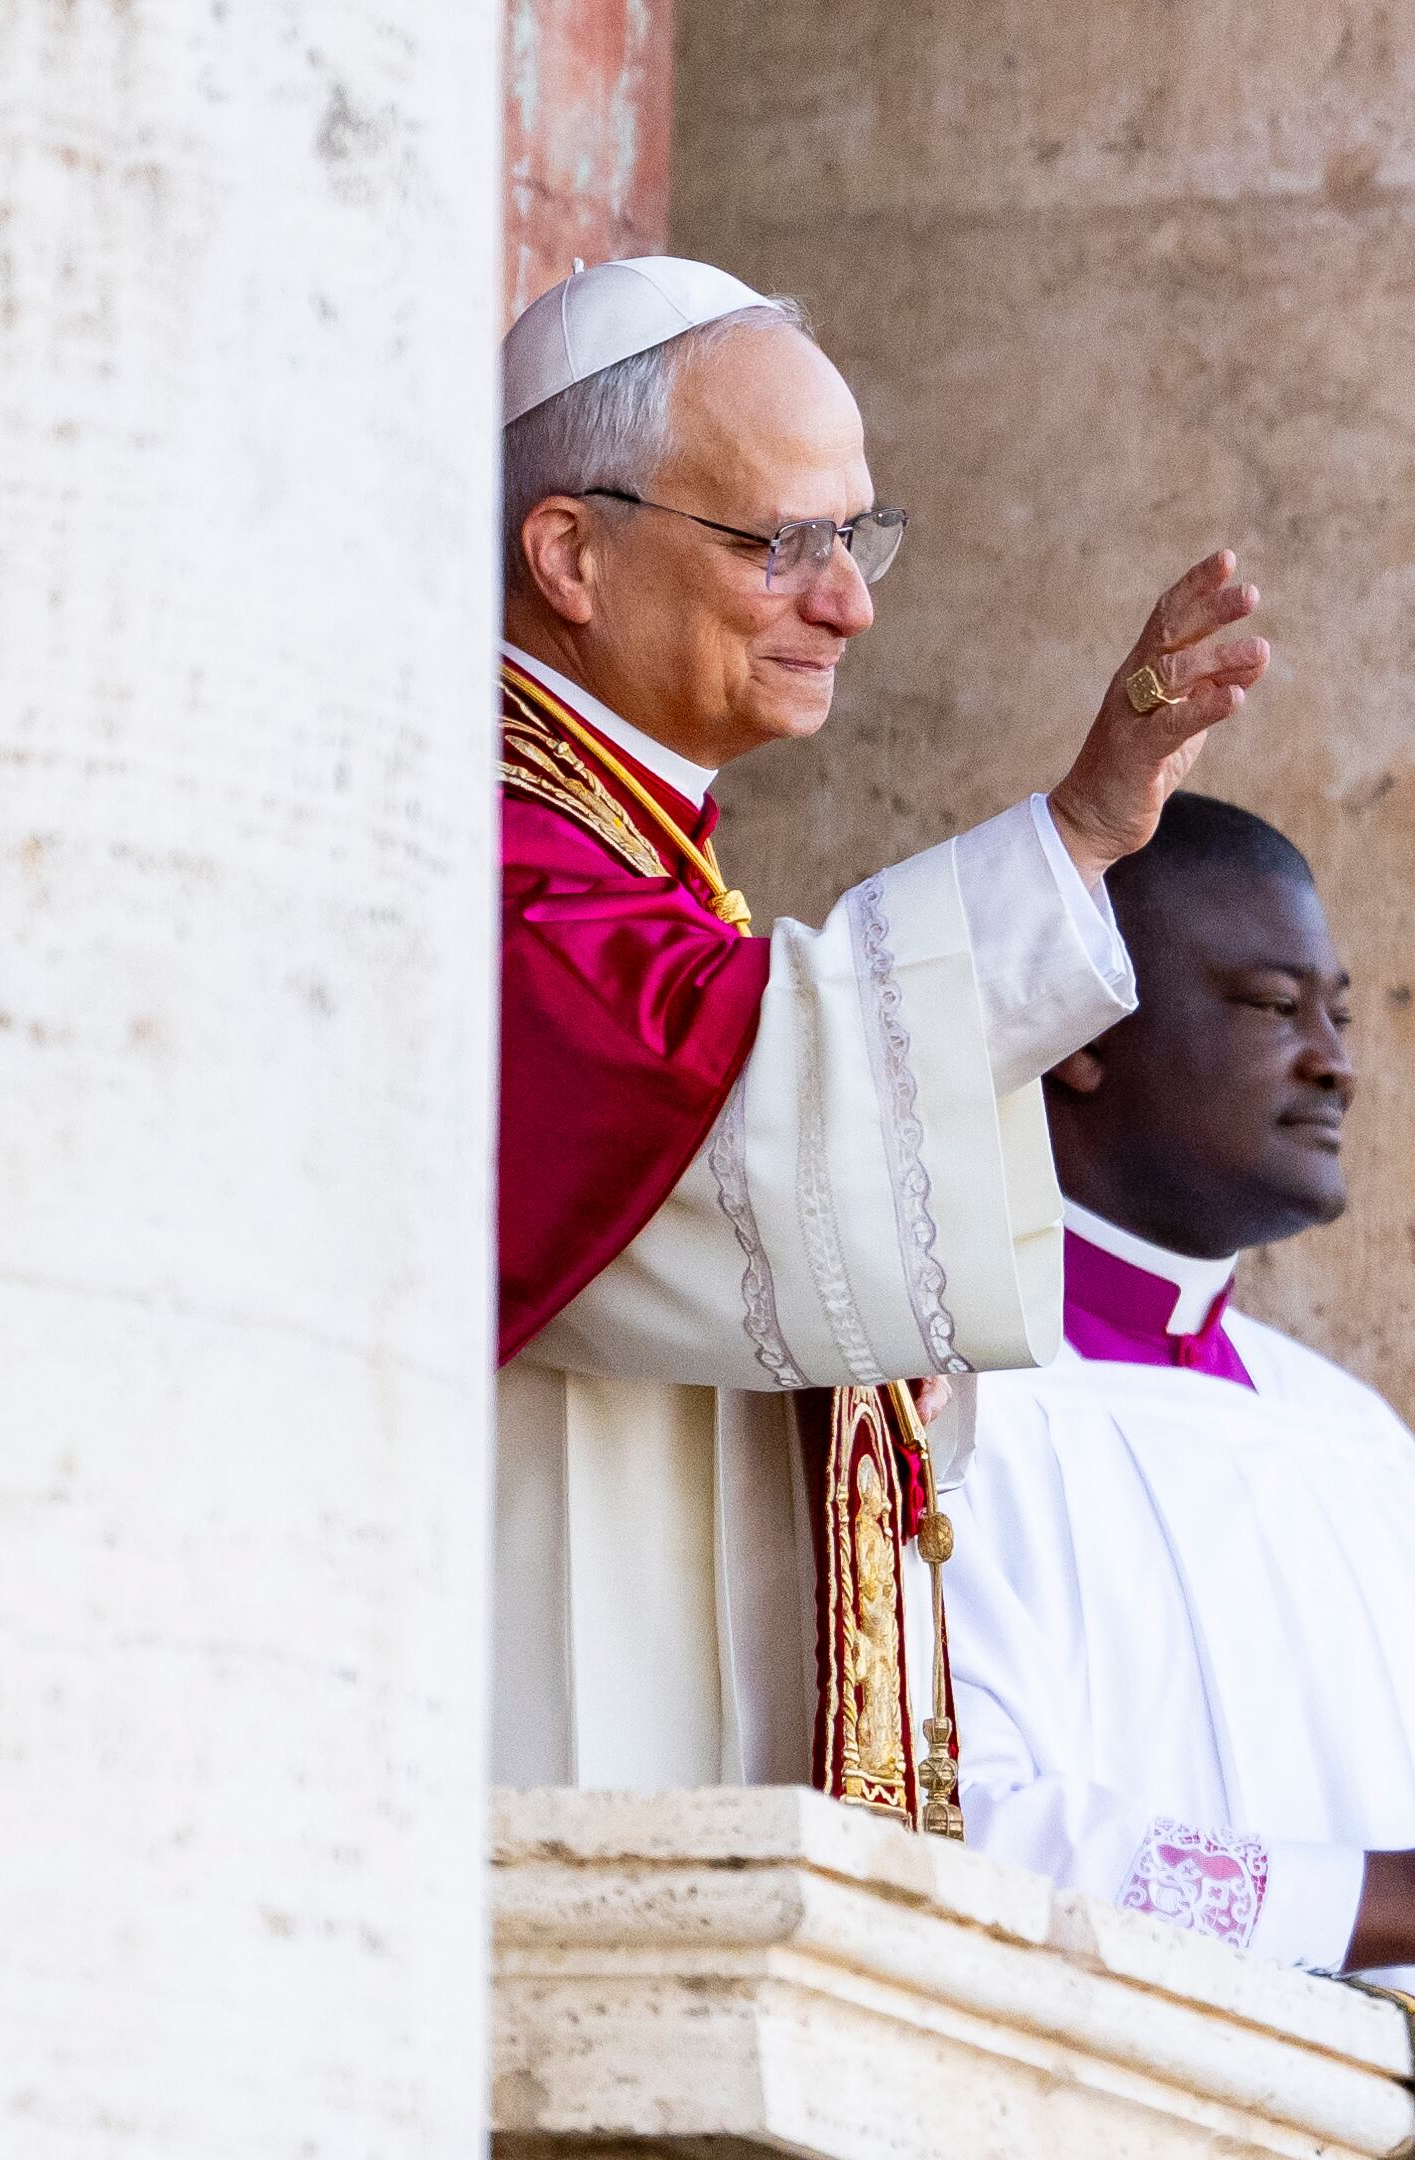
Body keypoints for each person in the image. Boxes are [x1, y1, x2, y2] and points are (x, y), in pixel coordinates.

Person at [489, 254, 1273, 1804]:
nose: (845, 602)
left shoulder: (647, 857)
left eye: (856, 540)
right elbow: (717, 1097)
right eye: (782, 543)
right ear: (570, 553)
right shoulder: (484, 842)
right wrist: (1073, 840)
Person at [942, 791, 1415, 2085]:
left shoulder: (1349, 1441)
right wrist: (1414, 1896)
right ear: (1078, 1035)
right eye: (1274, 1008)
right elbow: (957, 1835)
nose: (1336, 1058)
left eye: (1338, 1011)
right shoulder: (942, 1408)